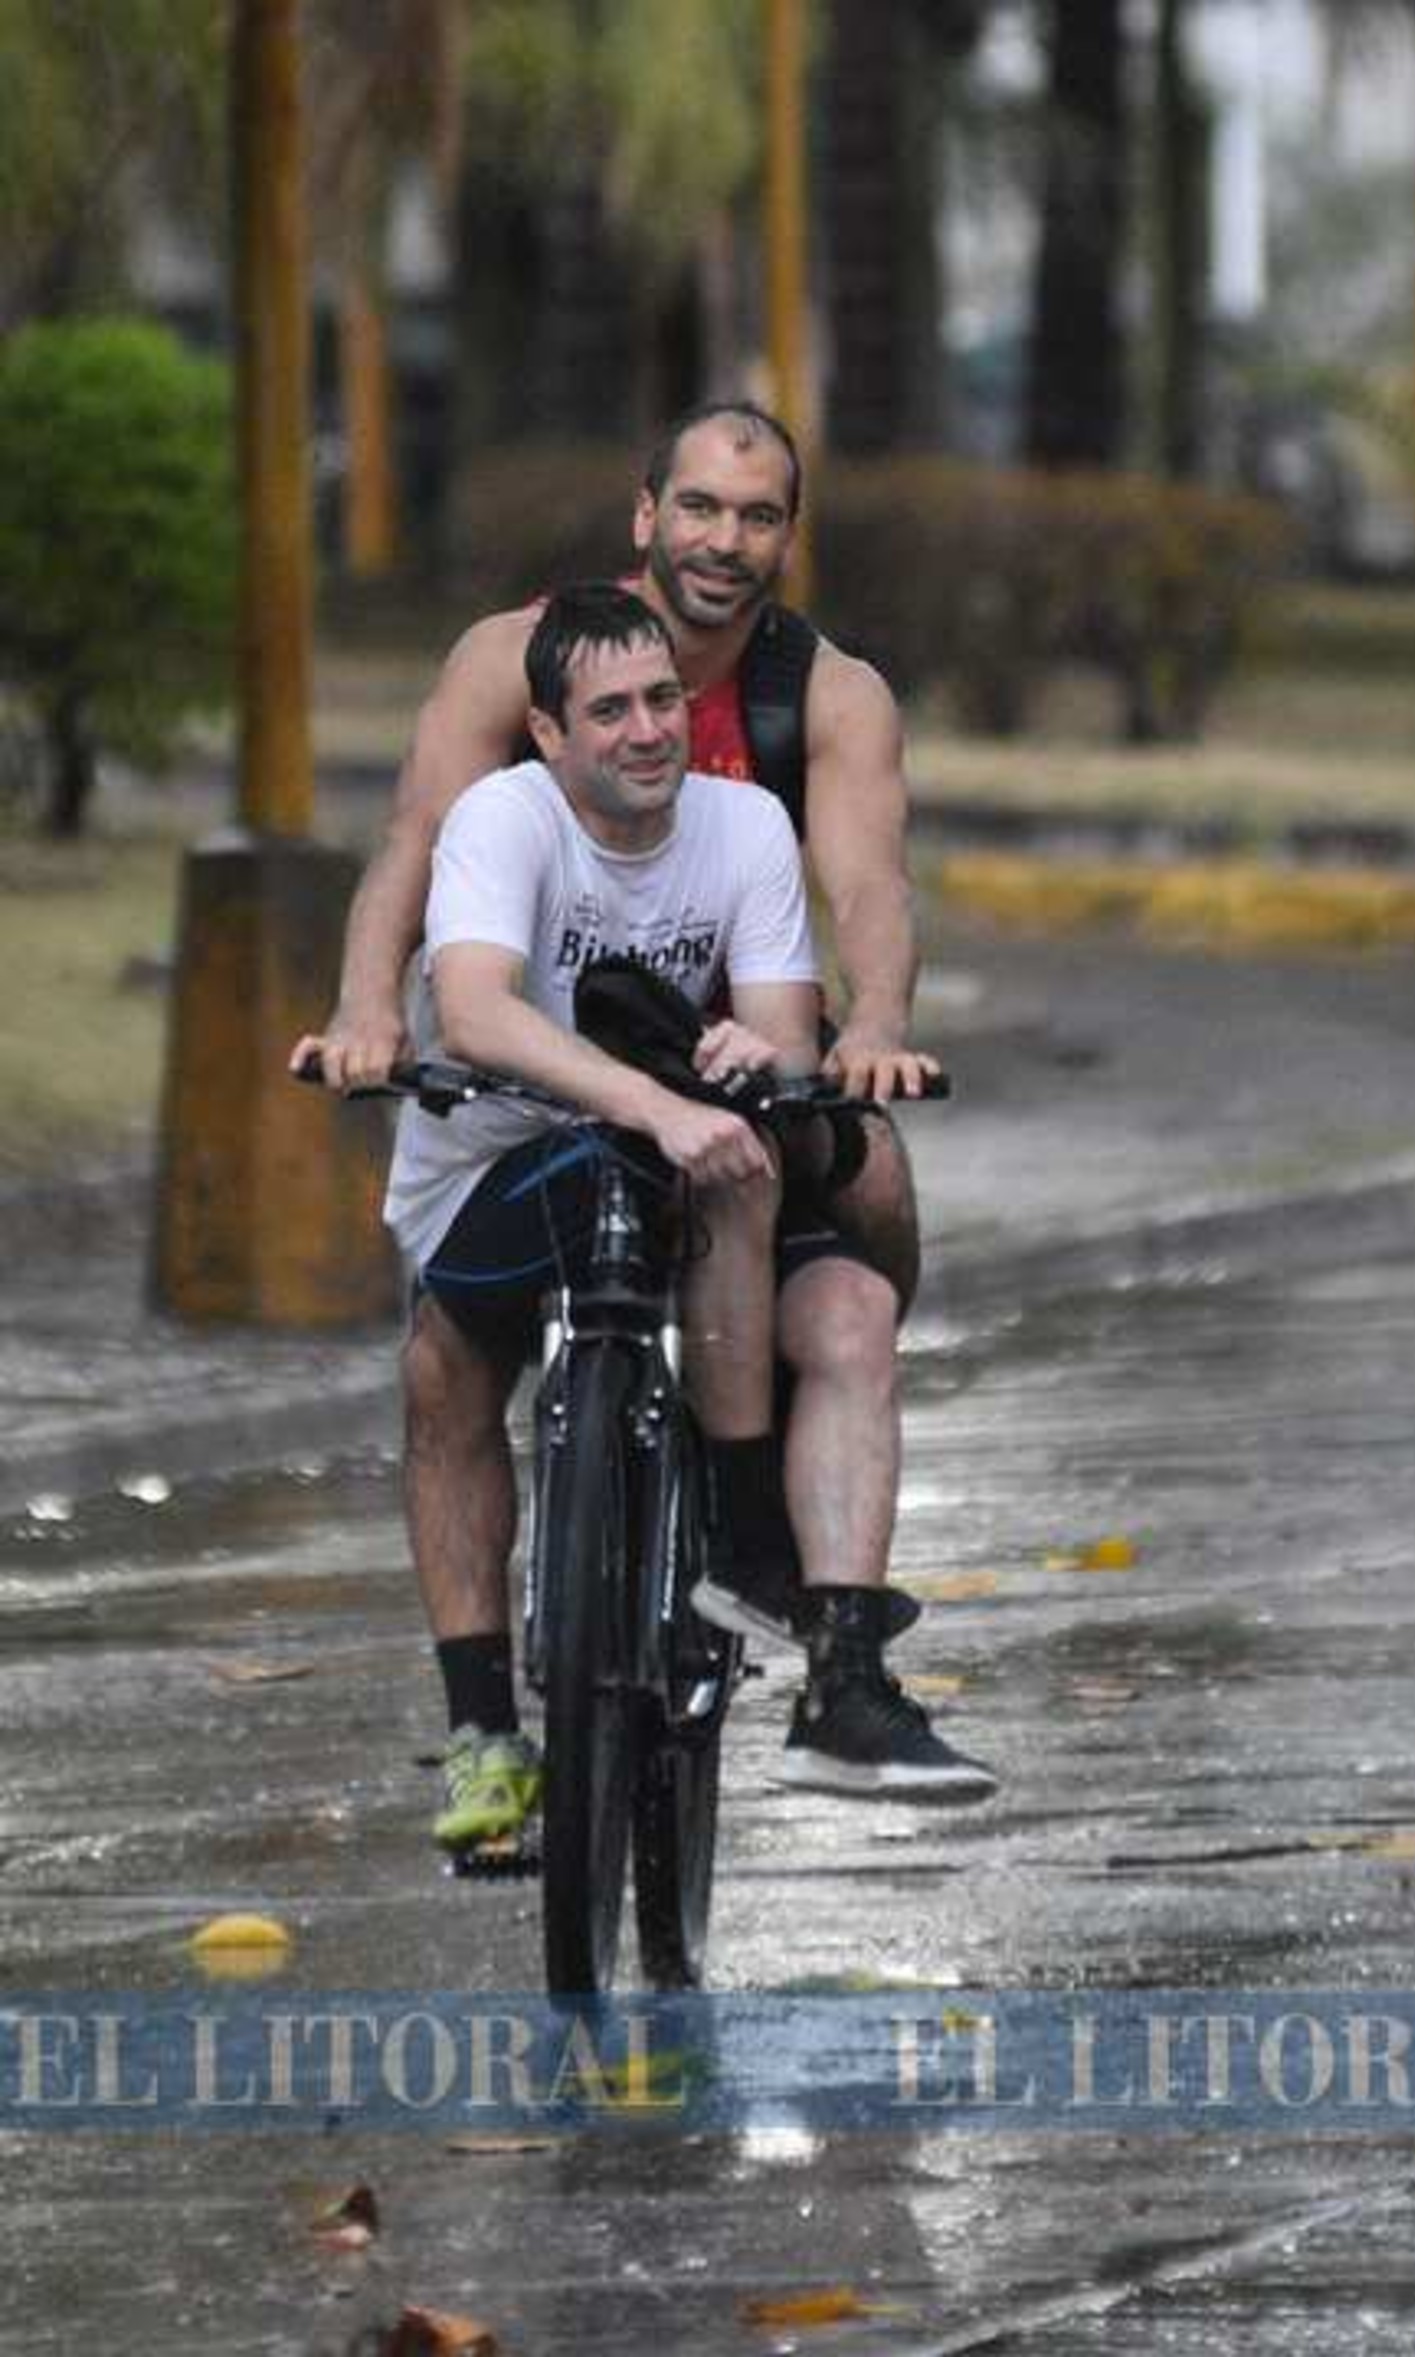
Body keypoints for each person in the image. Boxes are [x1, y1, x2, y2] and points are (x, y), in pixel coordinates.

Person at [298, 585, 996, 1853]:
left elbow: (788, 1019)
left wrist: (749, 1048)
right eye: (607, 710)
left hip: (687, 1158)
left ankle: (750, 1547)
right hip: (504, 1153)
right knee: (444, 1372)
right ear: (549, 736)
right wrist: (648, 1104)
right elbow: (476, 1013)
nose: (643, 729)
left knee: (778, 1209)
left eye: (663, 700)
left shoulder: (741, 827)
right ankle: (482, 1731)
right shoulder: (501, 820)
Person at [310, 398, 928, 1307]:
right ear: (646, 516)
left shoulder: (831, 694)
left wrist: (875, 1025)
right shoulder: (510, 656)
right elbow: (416, 838)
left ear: (789, 540)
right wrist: (365, 1008)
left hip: (734, 1038)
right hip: (533, 1045)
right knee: (441, 1371)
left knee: (874, 1184)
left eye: (758, 518)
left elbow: (871, 885)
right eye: (699, 507)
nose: (725, 541)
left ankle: (835, 1389)